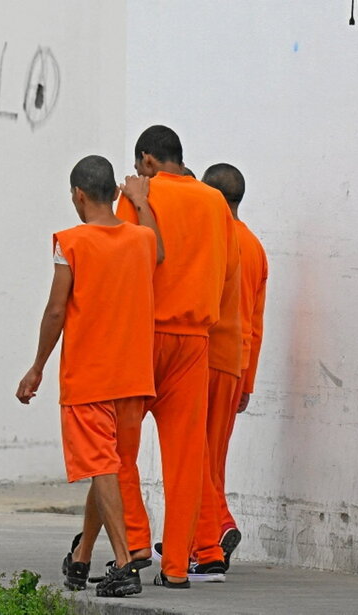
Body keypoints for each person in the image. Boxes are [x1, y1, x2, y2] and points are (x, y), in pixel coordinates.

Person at [15, 155, 161, 598]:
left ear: (78, 195)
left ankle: (123, 564)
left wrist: (37, 364)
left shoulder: (71, 242)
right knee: (110, 470)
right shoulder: (138, 240)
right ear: (115, 192)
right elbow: (158, 249)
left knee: (101, 468)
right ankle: (82, 558)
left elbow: (57, 309)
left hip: (89, 379)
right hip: (134, 380)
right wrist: (142, 200)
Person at [115, 125, 240, 588]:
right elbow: (229, 275)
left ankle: (135, 542)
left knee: (117, 448)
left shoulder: (138, 194)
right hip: (195, 341)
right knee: (187, 461)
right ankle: (175, 569)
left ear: (147, 161)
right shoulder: (213, 202)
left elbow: (126, 259)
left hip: (142, 336)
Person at [201, 163, 268, 567]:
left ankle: (219, 526)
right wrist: (248, 381)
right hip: (235, 365)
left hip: (203, 356)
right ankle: (200, 537)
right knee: (214, 457)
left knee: (194, 457)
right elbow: (255, 323)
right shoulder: (255, 246)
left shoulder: (216, 239)